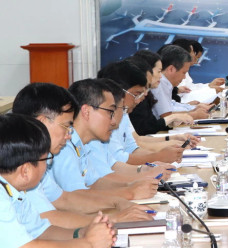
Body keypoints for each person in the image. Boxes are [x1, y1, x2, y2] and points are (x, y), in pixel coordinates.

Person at [0, 113, 115, 248]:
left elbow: (41, 231)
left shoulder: (14, 192)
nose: (47, 167)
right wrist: (88, 244)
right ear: (25, 170)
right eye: (46, 160)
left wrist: (81, 232)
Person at [12, 83, 152, 227]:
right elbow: (46, 219)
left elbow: (64, 199)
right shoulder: (20, 163)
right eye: (66, 126)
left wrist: (117, 201)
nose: (69, 135)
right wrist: (114, 219)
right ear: (42, 123)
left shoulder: (40, 157)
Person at [50, 79, 160, 200]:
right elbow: (77, 198)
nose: (113, 121)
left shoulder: (81, 144)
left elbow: (95, 182)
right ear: (86, 111)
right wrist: (129, 192)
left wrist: (133, 185)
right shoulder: (64, 146)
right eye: (109, 112)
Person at [98, 60, 194, 165]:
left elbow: (132, 147)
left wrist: (163, 155)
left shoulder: (123, 111)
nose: (139, 99)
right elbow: (117, 160)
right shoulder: (102, 118)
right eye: (137, 93)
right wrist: (158, 157)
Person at [128, 50, 193, 135]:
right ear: (146, 72)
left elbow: (151, 124)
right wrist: (172, 118)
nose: (161, 76)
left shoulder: (147, 95)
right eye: (159, 71)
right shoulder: (134, 97)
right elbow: (146, 128)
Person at [151, 45, 211, 120]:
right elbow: (166, 116)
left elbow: (171, 105)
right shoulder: (160, 83)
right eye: (183, 73)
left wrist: (193, 108)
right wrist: (194, 114)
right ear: (171, 69)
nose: (184, 77)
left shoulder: (165, 83)